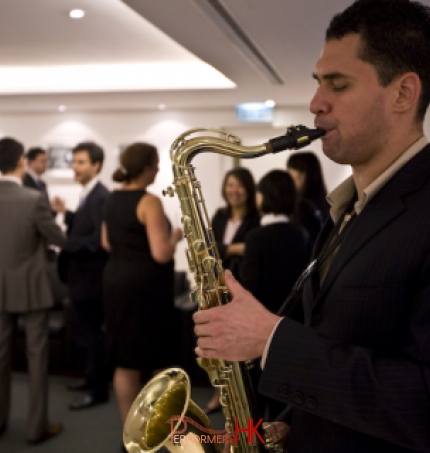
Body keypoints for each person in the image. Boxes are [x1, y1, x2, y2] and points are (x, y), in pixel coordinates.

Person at [193, 0, 430, 451]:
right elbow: (338, 341)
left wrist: (270, 339)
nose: (316, 103)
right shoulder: (348, 210)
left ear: (403, 94)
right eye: (319, 83)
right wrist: (291, 422)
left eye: (337, 85)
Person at [101, 142, 183, 427]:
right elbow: (161, 253)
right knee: (158, 358)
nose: (158, 168)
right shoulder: (149, 201)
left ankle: (131, 431)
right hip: (145, 290)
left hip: (115, 283)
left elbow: (106, 243)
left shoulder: (111, 199)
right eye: (156, 163)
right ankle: (161, 428)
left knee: (125, 361)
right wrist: (175, 237)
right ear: (145, 167)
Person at [0, 137, 65, 444]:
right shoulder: (32, 198)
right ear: (21, 161)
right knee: (37, 358)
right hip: (30, 287)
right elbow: (57, 238)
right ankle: (35, 428)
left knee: (0, 358)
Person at [239, 169, 310, 420]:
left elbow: (248, 290)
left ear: (262, 197)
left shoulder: (256, 237)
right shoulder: (302, 235)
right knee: (282, 413)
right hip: (293, 330)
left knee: (252, 409)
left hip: (259, 333)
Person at [51, 142, 110, 410]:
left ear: (96, 165)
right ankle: (90, 380)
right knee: (86, 334)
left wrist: (65, 243)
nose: (75, 167)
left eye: (81, 162)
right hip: (80, 278)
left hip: (91, 279)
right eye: (74, 162)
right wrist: (68, 215)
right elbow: (87, 225)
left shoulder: (100, 195)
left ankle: (97, 390)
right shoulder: (89, 194)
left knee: (92, 335)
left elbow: (98, 240)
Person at [205, 166, 260, 414]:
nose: (234, 190)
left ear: (248, 189)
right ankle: (220, 393)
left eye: (239, 185)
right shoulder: (219, 215)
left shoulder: (256, 218)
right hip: (216, 288)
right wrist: (234, 247)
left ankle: (239, 397)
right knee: (216, 344)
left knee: (238, 344)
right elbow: (209, 250)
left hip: (243, 287)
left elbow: (252, 249)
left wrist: (227, 249)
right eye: (230, 185)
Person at [286, 152, 329, 249]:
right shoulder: (327, 202)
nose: (289, 176)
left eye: (291, 170)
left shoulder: (303, 207)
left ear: (304, 173)